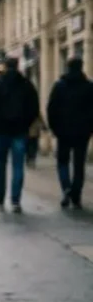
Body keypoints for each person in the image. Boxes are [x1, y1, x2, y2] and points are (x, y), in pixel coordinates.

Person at [0, 57, 40, 212]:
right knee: (18, 166)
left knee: (0, 165)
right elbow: (34, 108)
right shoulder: (26, 85)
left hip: (1, 130)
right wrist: (26, 124)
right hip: (19, 131)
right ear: (18, 66)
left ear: (4, 67)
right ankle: (15, 200)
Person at [45, 57, 93, 209]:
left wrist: (54, 128)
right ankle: (76, 195)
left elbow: (51, 108)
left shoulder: (60, 86)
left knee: (62, 162)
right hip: (82, 132)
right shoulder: (89, 87)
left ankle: (66, 188)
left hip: (63, 132)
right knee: (79, 164)